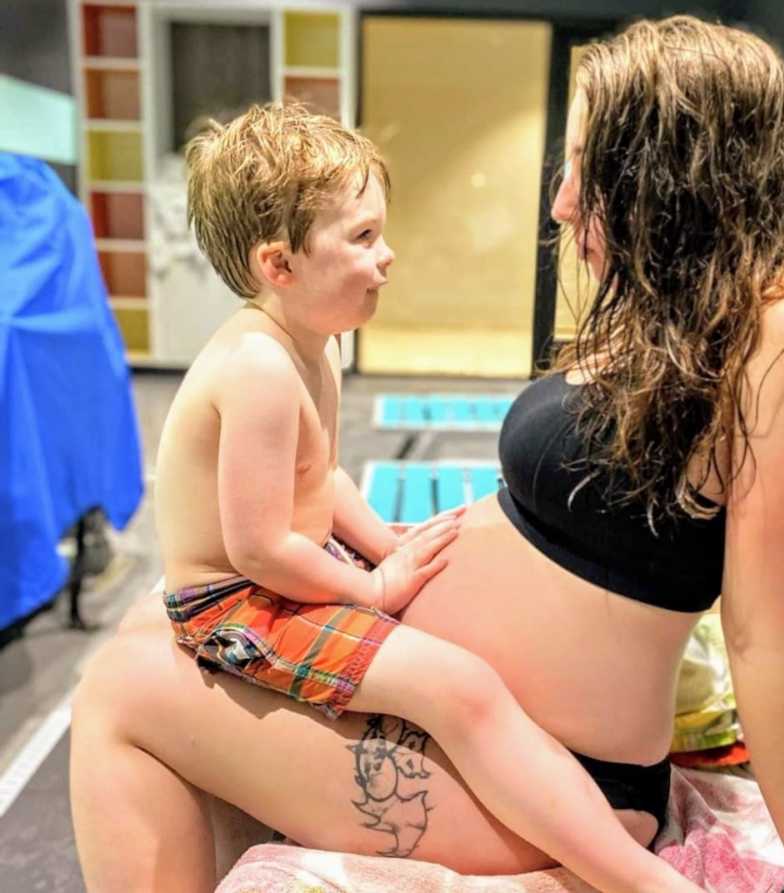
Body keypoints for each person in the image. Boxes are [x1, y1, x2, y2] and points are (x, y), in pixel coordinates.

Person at [70, 16, 784, 893]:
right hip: (469, 731)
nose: (564, 201)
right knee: (148, 628)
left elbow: (767, 635)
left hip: (556, 774)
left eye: (588, 166)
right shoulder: (672, 318)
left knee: (117, 693)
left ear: (675, 176)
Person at [99, 100, 699, 893]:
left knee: (458, 684)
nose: (387, 256)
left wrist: (384, 542)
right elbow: (258, 547)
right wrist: (371, 587)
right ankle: (637, 878)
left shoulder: (315, 344)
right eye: (362, 238)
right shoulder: (259, 371)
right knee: (459, 687)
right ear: (278, 264)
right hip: (231, 605)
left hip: (277, 572)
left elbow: (323, 479)